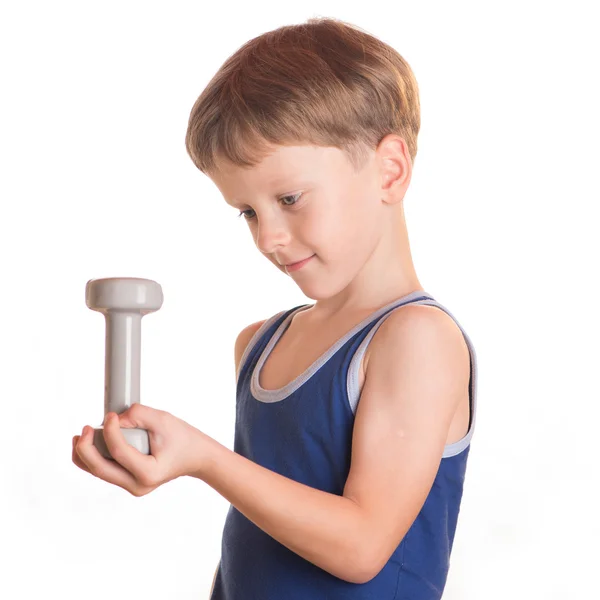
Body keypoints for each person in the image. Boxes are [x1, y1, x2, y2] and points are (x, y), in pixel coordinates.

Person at [73, 16, 477, 599]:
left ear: (389, 170)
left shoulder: (416, 339)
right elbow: (252, 543)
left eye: (289, 199)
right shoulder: (260, 343)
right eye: (249, 212)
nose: (268, 238)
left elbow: (362, 547)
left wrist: (204, 460)